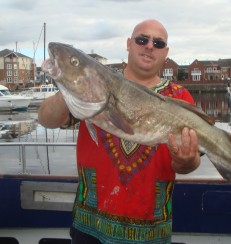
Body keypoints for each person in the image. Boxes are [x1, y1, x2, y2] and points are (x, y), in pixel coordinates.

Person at [38, 19, 200, 244]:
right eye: (142, 39)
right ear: (129, 44)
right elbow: (46, 119)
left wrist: (186, 161)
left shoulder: (180, 98)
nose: (149, 46)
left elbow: (190, 165)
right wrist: (70, 85)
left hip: (151, 231)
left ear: (166, 52)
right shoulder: (94, 84)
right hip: (89, 226)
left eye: (158, 43)